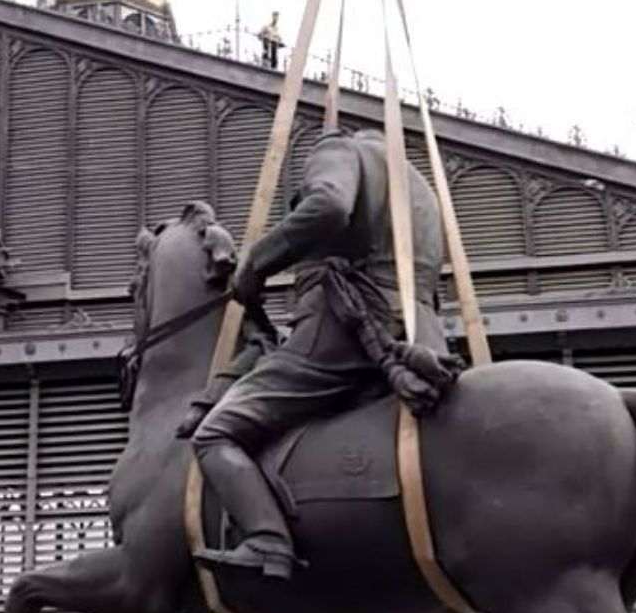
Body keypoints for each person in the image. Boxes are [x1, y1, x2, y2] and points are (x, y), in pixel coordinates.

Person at [183, 128, 463, 579]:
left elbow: (329, 206)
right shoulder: (418, 183)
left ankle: (267, 541)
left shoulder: (337, 150)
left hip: (343, 331)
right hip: (419, 334)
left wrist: (256, 264)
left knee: (216, 434)